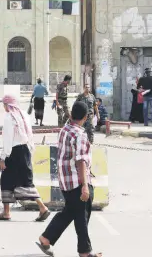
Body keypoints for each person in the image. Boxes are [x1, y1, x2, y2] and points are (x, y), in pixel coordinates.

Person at [36, 102, 101, 257]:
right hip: (77, 181)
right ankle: (85, 251)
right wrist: (85, 185)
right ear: (85, 117)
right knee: (82, 216)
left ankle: (46, 238)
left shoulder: (65, 129)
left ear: (72, 114)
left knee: (70, 212)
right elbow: (81, 161)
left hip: (65, 182)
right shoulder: (80, 134)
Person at [0, 95, 51, 222]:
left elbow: (7, 140)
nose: (4, 107)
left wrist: (3, 158)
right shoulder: (24, 115)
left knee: (6, 179)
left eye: (4, 105)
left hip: (14, 152)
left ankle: (9, 211)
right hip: (25, 150)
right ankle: (9, 211)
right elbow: (29, 134)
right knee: (25, 180)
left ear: (8, 105)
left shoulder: (9, 118)